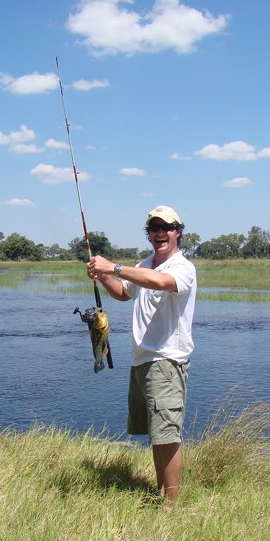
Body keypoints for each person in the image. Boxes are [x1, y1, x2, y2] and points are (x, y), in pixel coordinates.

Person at [86, 206, 197, 503]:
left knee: (168, 433)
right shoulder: (146, 263)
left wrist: (114, 267)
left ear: (178, 232)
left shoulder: (182, 267)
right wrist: (102, 275)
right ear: (148, 234)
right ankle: (161, 492)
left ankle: (170, 506)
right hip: (142, 360)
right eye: (154, 228)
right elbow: (124, 293)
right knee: (156, 433)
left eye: (166, 227)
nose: (160, 232)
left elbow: (161, 282)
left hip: (166, 359)